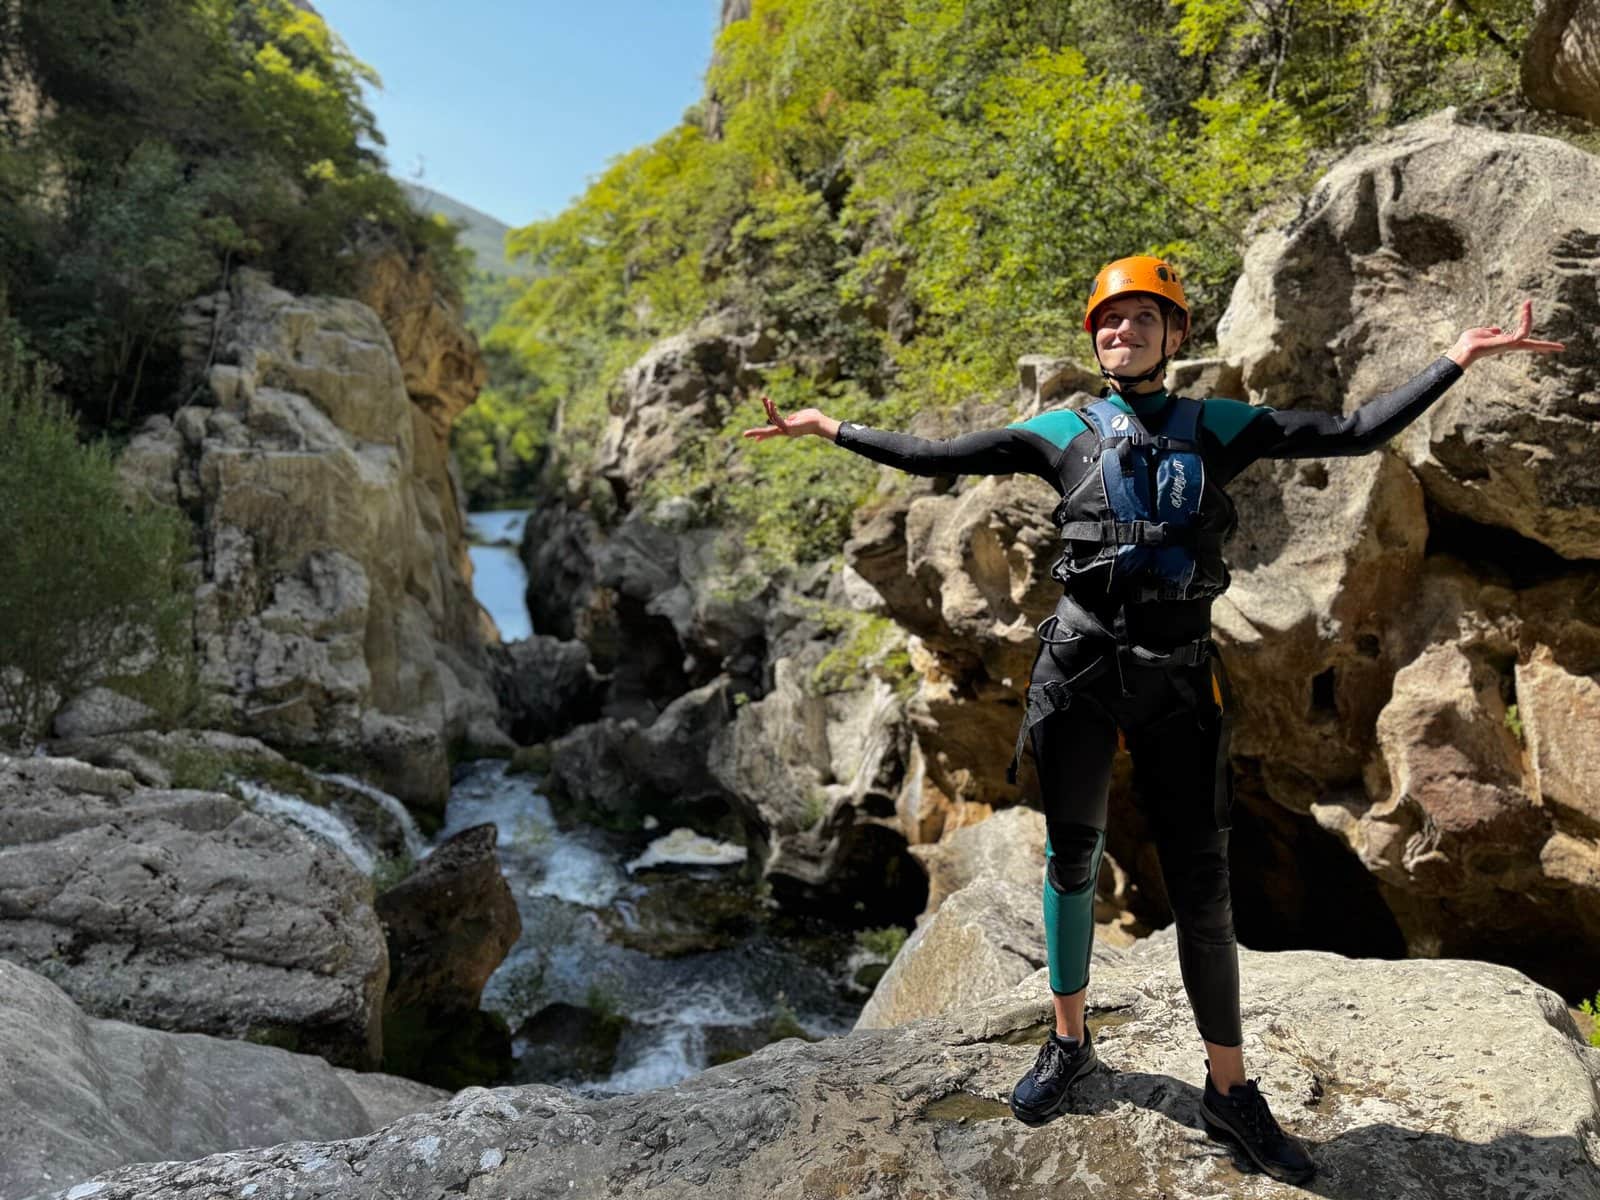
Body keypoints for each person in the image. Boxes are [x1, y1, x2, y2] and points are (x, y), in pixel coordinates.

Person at [741, 254, 1564, 1184]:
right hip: (1077, 676)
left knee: (1205, 890)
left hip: (1177, 683)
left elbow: (1351, 430)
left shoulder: (1218, 426)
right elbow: (940, 457)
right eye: (1107, 323)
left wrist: (1458, 355)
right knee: (1071, 860)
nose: (1119, 334)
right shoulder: (1061, 430)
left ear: (1175, 336)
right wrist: (830, 427)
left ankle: (1229, 1088)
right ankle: (1068, 1043)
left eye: (1140, 321)